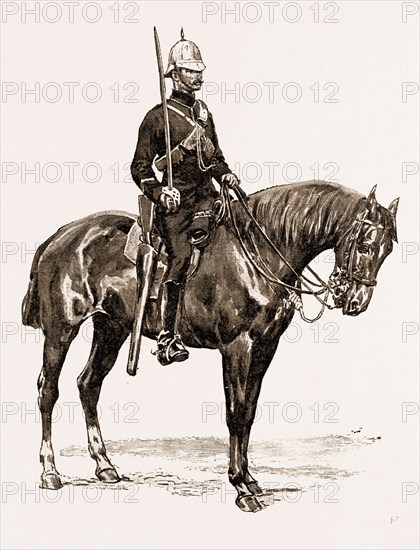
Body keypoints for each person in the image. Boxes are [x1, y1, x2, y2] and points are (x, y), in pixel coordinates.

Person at [131, 30, 240, 366]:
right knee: (180, 258)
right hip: (176, 204)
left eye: (200, 70)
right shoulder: (157, 117)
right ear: (175, 75)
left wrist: (227, 175)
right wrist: (160, 191)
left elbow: (215, 158)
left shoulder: (204, 114)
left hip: (208, 198)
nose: (199, 76)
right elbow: (139, 168)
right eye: (192, 71)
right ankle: (168, 336)